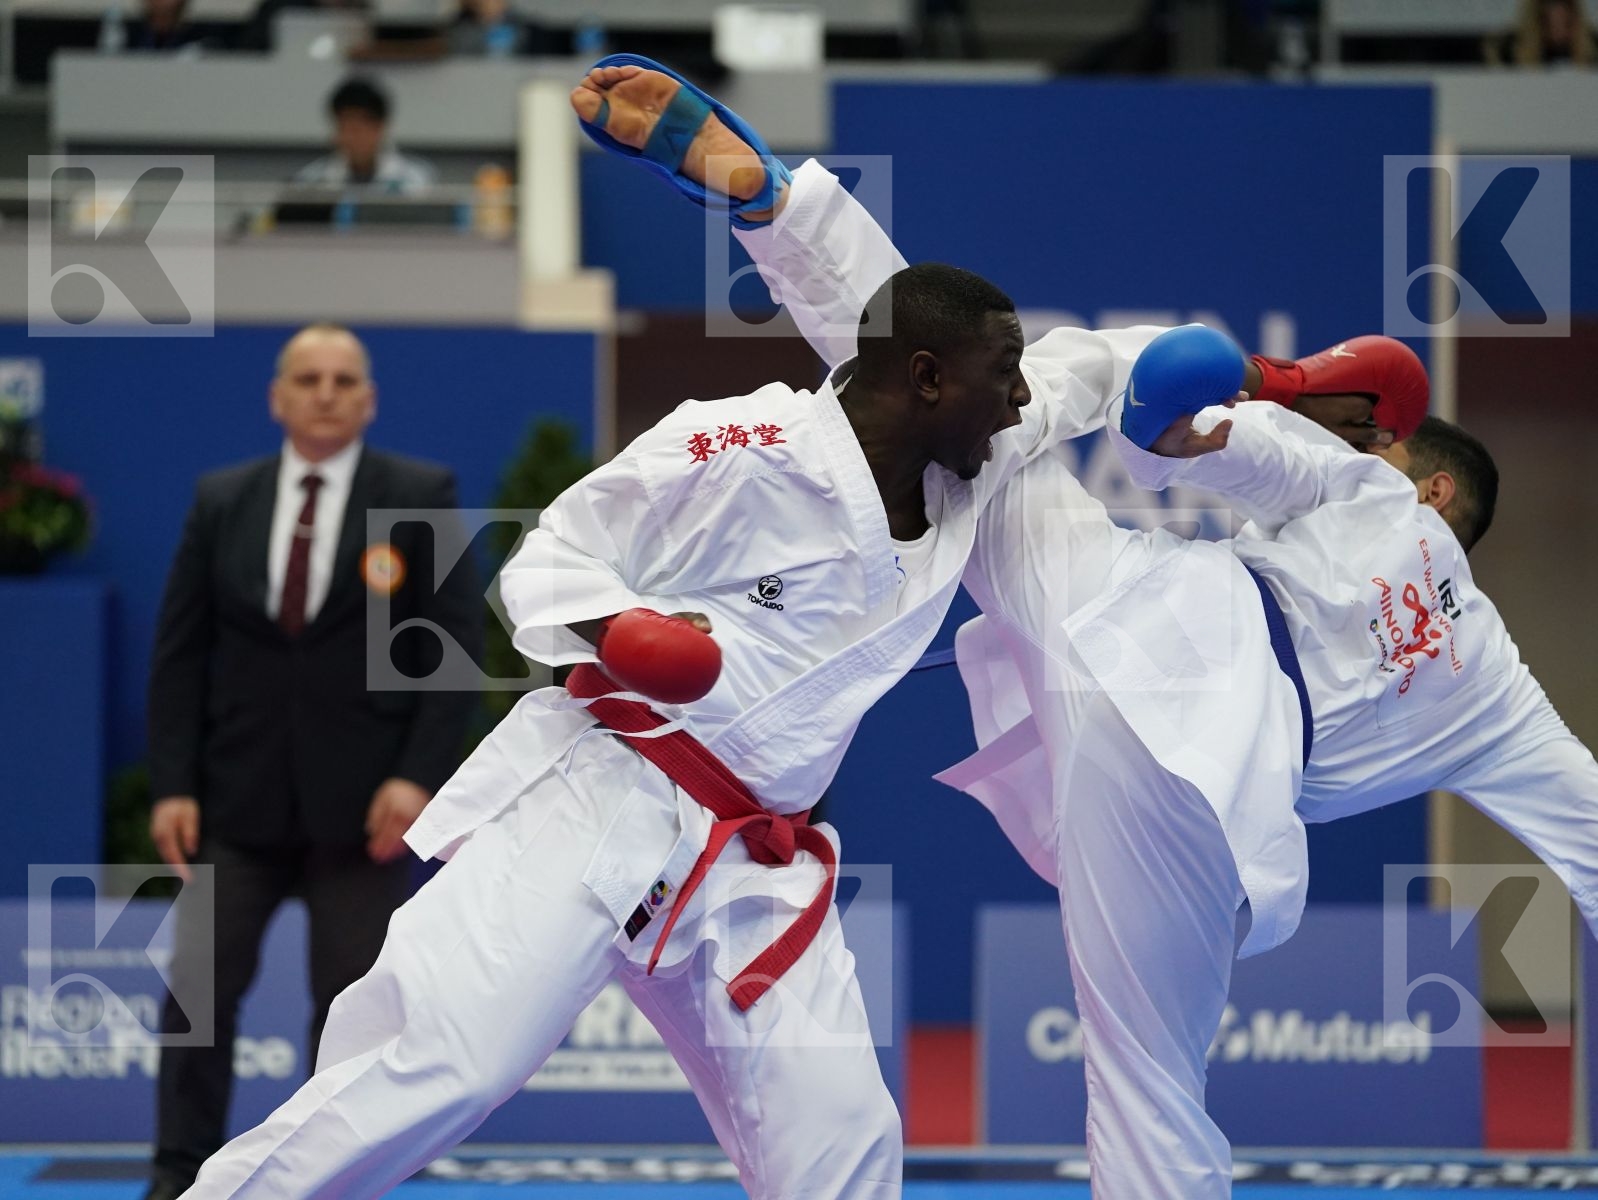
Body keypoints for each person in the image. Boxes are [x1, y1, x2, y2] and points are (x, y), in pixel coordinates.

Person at [174, 61, 1191, 1199]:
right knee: (442, 1069)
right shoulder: (739, 448)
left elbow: (1077, 370)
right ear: (922, 381)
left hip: (752, 861)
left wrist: (1249, 379)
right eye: (997, 376)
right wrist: (620, 632)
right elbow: (546, 557)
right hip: (600, 795)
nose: (1018, 401)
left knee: (844, 1138)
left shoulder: (978, 453)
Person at [668, 65, 1597, 1197]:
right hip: (1191, 764)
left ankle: (776, 203)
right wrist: (1253, 395)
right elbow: (1183, 426)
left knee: (966, 417)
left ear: (1436, 493)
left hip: (1154, 667)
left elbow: (1173, 417)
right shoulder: (1487, 679)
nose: (1375, 454)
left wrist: (1248, 392)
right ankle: (782, 209)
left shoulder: (1393, 517)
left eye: (1392, 450)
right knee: (1147, 1092)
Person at [144, 323, 481, 1200]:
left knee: (350, 1015)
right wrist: (174, 783)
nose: (325, 392)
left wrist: (415, 779)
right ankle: (179, 1176)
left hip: (366, 809)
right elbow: (181, 651)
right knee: (193, 1002)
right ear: (278, 397)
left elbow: (451, 651)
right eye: (308, 378)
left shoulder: (419, 492)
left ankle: (334, 1180)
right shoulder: (222, 499)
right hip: (235, 804)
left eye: (342, 379)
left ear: (368, 399)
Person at [290, 78, 435, 195]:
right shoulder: (310, 182)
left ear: (381, 128)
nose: (352, 138)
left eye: (358, 129)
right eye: (344, 128)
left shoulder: (416, 181)